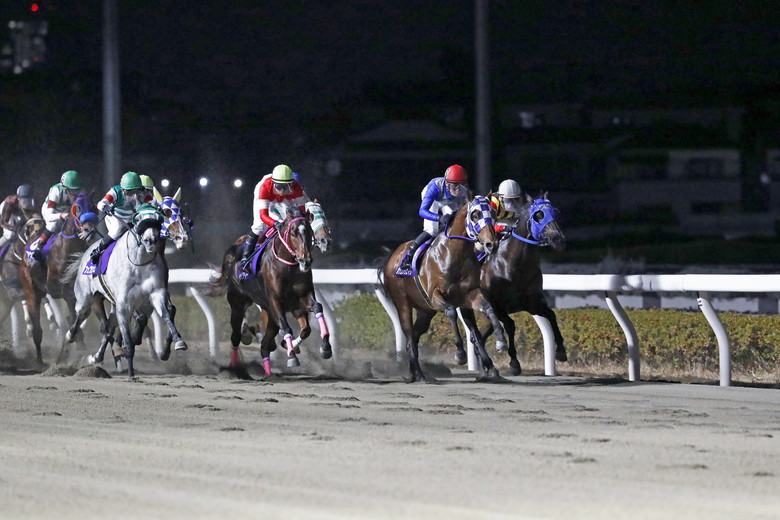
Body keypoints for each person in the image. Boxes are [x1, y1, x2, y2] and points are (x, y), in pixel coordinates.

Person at [396, 164, 470, 275]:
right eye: (454, 185)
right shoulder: (434, 188)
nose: (457, 190)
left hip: (447, 201)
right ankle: (408, 259)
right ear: (446, 183)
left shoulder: (463, 191)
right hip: (435, 199)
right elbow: (422, 211)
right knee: (432, 230)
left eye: (461, 185)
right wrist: (439, 218)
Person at [239, 164, 307, 266]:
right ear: (274, 183)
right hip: (268, 195)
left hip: (284, 197)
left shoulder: (296, 188)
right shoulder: (264, 188)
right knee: (259, 226)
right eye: (279, 187)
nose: (282, 191)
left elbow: (302, 210)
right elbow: (263, 215)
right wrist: (275, 223)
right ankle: (245, 258)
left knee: (290, 220)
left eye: (286, 187)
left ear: (292, 184)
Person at [90, 171, 148, 264]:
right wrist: (106, 207)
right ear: (122, 190)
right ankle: (98, 250)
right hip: (116, 217)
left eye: (136, 191)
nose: (134, 196)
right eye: (130, 192)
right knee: (117, 230)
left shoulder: (142, 193)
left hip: (132, 218)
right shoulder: (115, 192)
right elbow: (101, 203)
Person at [28, 170, 82, 262]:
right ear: (65, 188)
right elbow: (49, 215)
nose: (75, 193)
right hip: (50, 211)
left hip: (66, 210)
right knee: (54, 225)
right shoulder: (56, 191)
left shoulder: (80, 191)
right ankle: (39, 246)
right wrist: (60, 215)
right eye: (72, 190)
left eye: (76, 190)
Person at [0, 184, 35, 252]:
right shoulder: (9, 204)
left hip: (18, 213)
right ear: (18, 198)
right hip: (9, 213)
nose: (26, 203)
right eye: (24, 200)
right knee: (10, 235)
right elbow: (2, 222)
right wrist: (14, 228)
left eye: (28, 200)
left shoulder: (32, 203)